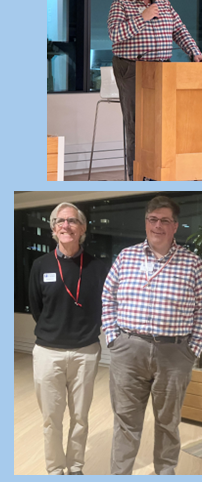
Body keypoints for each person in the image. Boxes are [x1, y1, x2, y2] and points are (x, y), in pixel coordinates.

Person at [101, 195, 202, 475]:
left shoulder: (192, 263)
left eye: (164, 220)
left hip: (174, 354)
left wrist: (191, 351)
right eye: (152, 219)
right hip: (128, 349)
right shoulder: (127, 257)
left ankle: (165, 474)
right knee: (126, 422)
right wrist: (113, 338)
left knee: (168, 422)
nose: (157, 226)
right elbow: (107, 297)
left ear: (175, 226)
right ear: (145, 222)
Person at [107, 0, 202, 180]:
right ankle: (137, 175)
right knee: (138, 125)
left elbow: (179, 30)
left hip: (163, 69)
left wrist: (194, 52)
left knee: (164, 124)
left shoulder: (163, 2)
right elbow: (115, 35)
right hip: (133, 67)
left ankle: (160, 172)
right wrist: (142, 16)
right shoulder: (121, 4)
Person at [27, 202, 110, 475]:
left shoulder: (98, 267)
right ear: (53, 228)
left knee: (80, 417)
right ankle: (55, 470)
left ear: (83, 228)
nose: (66, 226)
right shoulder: (40, 265)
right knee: (51, 419)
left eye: (73, 221)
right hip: (47, 353)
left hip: (86, 352)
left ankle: (75, 468)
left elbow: (105, 305)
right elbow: (36, 307)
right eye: (60, 221)